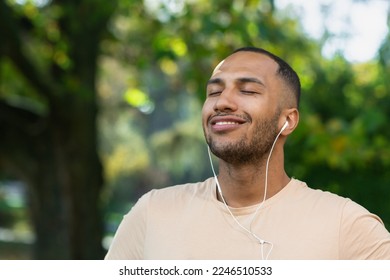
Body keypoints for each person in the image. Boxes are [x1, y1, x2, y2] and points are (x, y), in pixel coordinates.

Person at [105, 46, 390, 260]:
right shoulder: (151, 214)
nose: (223, 102)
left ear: (287, 120)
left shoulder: (348, 227)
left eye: (248, 91)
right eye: (214, 93)